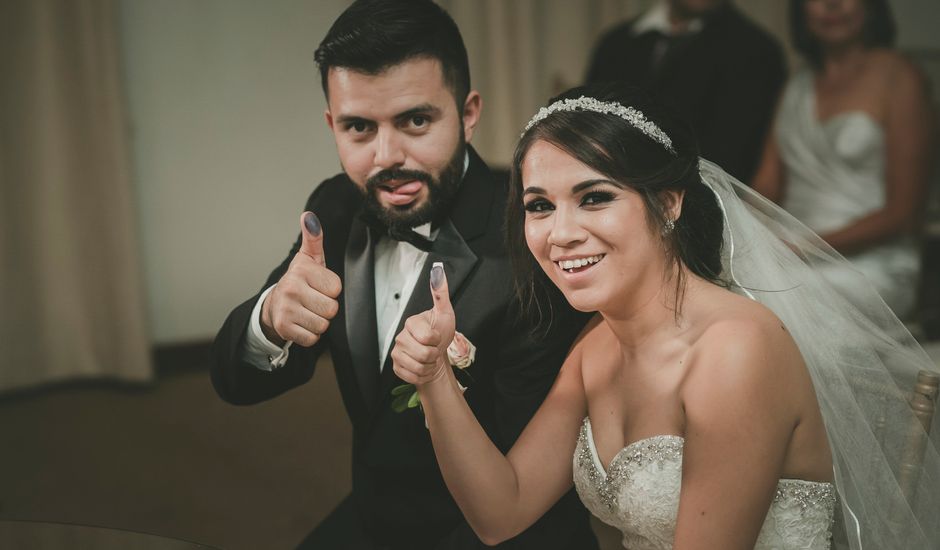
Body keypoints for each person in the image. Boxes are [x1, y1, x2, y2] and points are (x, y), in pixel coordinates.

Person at [392, 83, 940, 549]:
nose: (560, 233)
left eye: (595, 197)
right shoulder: (597, 345)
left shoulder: (735, 350)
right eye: (540, 205)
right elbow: (501, 512)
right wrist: (436, 378)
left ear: (669, 202)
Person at [209, 1, 598, 548]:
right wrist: (270, 318)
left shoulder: (533, 238)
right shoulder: (335, 208)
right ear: (331, 124)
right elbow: (234, 384)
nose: (386, 156)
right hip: (374, 514)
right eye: (359, 128)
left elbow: (526, 488)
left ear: (467, 112)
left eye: (416, 120)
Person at [752, 0, 935, 319]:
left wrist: (803, 248)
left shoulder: (900, 78)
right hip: (791, 250)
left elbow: (903, 212)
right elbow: (765, 186)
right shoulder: (796, 86)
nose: (832, 6)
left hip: (869, 262)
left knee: (786, 305)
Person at [585, 0, 786, 183]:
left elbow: (734, 154)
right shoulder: (615, 43)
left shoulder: (756, 50)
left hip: (701, 202)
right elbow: (590, 128)